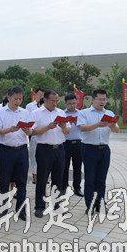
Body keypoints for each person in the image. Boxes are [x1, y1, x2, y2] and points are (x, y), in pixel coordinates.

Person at [78, 89, 119, 214]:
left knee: (101, 179)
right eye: (100, 99)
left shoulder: (109, 113)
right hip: (89, 149)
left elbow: (117, 130)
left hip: (104, 150)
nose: (102, 102)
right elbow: (83, 128)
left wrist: (112, 126)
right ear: (93, 100)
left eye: (104, 99)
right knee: (90, 178)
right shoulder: (84, 113)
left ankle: (99, 203)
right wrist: (98, 125)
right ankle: (89, 205)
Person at [30, 89, 70, 218]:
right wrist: (48, 127)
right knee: (42, 179)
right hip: (44, 150)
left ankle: (56, 205)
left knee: (58, 179)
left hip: (59, 149)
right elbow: (33, 132)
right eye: (52, 101)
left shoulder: (61, 112)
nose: (54, 103)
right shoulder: (36, 113)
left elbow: (68, 131)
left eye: (56, 101)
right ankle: (39, 207)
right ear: (45, 100)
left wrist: (63, 126)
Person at [0, 87, 31, 220]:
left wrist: (28, 131)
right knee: (4, 181)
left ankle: (21, 210)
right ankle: (2, 209)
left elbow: (30, 130)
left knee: (22, 182)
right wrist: (9, 129)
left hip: (21, 150)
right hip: (6, 150)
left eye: (20, 99)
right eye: (15, 98)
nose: (18, 101)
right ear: (8, 97)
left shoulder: (25, 112)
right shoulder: (0, 112)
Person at [63, 94, 84, 197]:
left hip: (78, 143)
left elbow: (84, 128)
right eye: (69, 103)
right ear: (65, 103)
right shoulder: (62, 114)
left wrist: (77, 122)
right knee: (64, 167)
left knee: (77, 167)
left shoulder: (81, 114)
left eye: (74, 103)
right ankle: (64, 187)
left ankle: (77, 188)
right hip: (65, 143)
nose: (72, 105)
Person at [27, 87, 45, 184]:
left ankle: (43, 177)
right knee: (34, 156)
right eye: (40, 95)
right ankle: (35, 176)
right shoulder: (30, 106)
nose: (41, 97)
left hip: (45, 136)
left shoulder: (48, 108)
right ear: (36, 95)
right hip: (33, 133)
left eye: (43, 95)